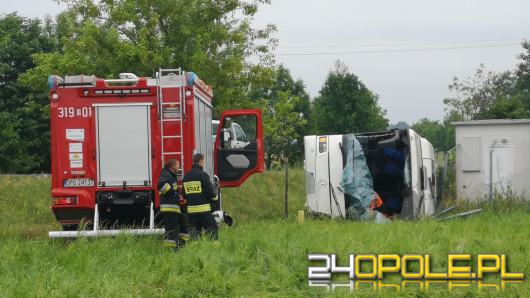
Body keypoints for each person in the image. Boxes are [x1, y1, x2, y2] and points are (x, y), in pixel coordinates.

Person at [182, 153, 219, 240]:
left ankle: (195, 249)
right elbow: (210, 192)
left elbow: (184, 194)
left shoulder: (186, 177)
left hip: (191, 211)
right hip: (204, 209)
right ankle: (214, 248)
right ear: (201, 161)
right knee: (212, 228)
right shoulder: (203, 175)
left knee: (195, 232)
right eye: (203, 161)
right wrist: (215, 199)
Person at [158, 159, 189, 249]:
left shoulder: (170, 175)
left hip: (173, 206)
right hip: (169, 207)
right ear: (173, 166)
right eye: (178, 165)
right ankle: (171, 249)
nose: (179, 167)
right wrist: (173, 193)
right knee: (171, 229)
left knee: (180, 225)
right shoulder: (166, 174)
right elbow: (161, 185)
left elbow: (172, 188)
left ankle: (180, 246)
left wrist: (177, 192)